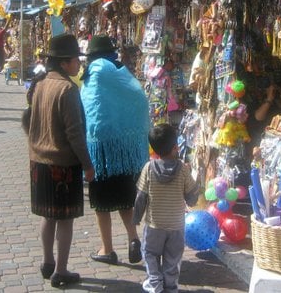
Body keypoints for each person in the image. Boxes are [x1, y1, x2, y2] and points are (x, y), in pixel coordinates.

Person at [25, 33, 94, 288]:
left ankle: (47, 262)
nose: (79, 64)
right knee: (65, 219)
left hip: (39, 161)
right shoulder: (67, 89)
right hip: (62, 164)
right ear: (65, 63)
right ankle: (61, 271)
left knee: (47, 216)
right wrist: (87, 164)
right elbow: (74, 133)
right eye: (76, 60)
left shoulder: (40, 85)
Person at [80, 35, 150, 266]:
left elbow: (89, 106)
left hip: (99, 148)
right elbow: (138, 100)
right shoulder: (121, 72)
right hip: (123, 150)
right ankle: (133, 239)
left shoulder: (95, 71)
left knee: (101, 203)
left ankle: (107, 249)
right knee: (123, 198)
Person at [133, 124, 199, 293]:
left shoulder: (148, 168)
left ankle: (155, 283)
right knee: (172, 258)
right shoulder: (183, 170)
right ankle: (170, 287)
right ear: (176, 147)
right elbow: (192, 196)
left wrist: (136, 217)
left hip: (155, 225)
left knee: (149, 253)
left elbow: (141, 197)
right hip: (176, 226)